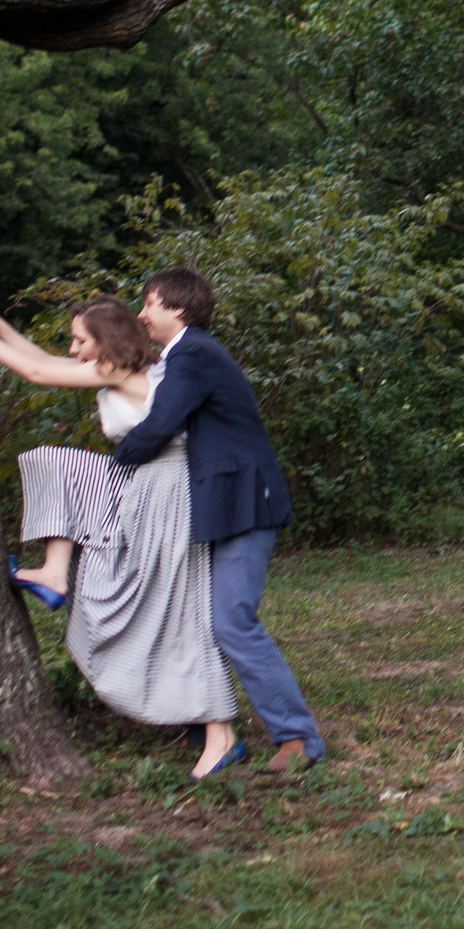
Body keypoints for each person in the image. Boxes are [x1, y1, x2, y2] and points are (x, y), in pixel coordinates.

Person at [0, 283, 246, 778]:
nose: (72, 349)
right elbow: (43, 359)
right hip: (142, 485)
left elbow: (36, 371)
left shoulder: (125, 372)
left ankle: (221, 735)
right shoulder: (123, 369)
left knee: (181, 611)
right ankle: (55, 572)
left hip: (166, 493)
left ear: (104, 339)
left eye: (79, 340)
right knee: (55, 464)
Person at [121, 266, 324, 776]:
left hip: (245, 501)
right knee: (198, 618)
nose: (142, 313)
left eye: (150, 303)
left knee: (232, 619)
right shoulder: (190, 354)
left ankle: (297, 738)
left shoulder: (192, 354)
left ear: (179, 310)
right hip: (223, 501)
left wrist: (113, 464)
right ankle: (202, 725)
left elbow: (161, 424)